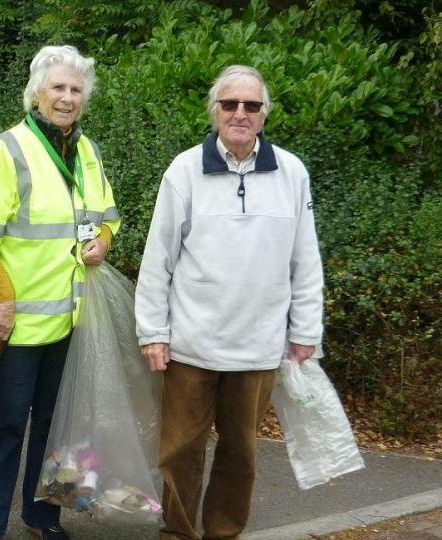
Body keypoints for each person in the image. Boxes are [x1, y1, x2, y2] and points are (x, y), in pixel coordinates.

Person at [134, 65, 324, 540]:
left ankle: (223, 532)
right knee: (179, 451)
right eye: (230, 104)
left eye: (252, 105)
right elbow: (158, 258)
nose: (240, 113)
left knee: (242, 454)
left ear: (264, 116)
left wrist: (305, 331)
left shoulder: (292, 173)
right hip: (190, 344)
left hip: (258, 347)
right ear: (215, 110)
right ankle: (176, 532)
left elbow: (306, 259)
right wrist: (152, 331)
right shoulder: (184, 170)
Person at [0, 45, 120, 540]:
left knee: (63, 424)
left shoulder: (86, 151)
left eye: (75, 90)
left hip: (74, 320)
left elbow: (108, 217)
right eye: (58, 88)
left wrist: (103, 243)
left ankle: (45, 515)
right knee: (7, 426)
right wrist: (1, 302)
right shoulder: (3, 151)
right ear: (36, 93)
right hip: (21, 321)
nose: (67, 98)